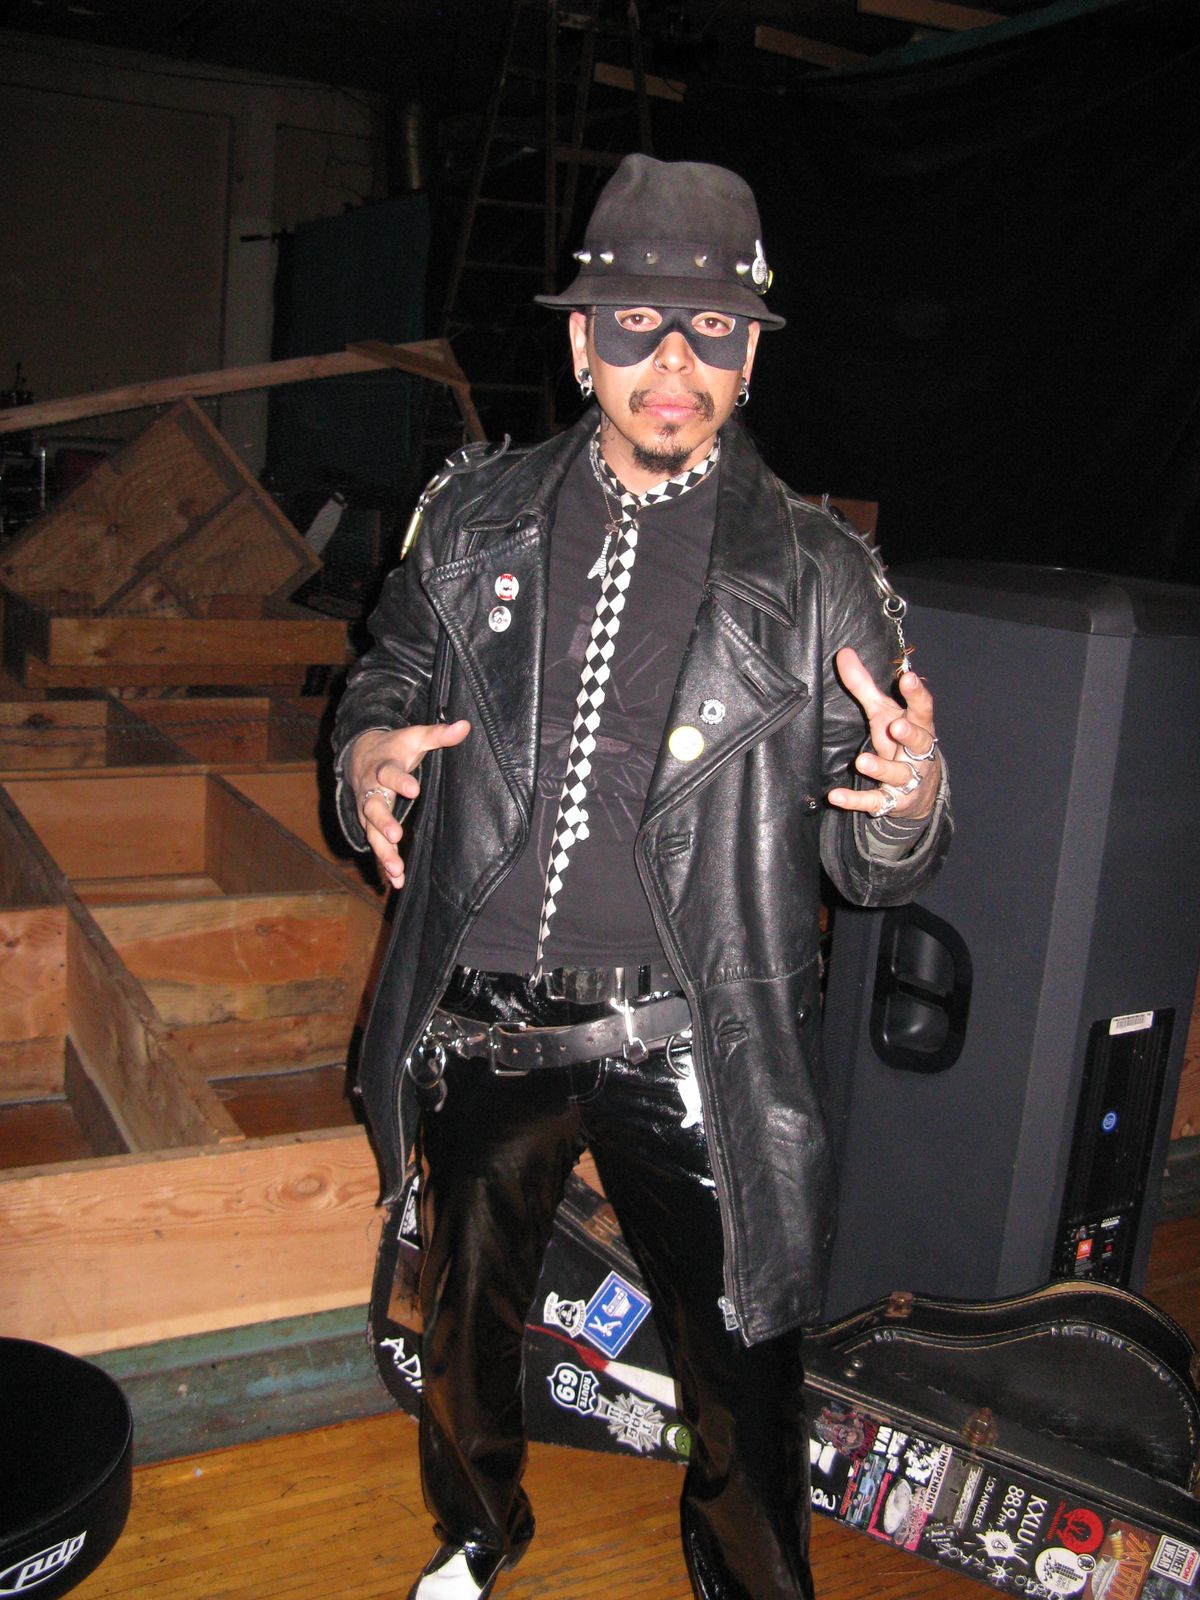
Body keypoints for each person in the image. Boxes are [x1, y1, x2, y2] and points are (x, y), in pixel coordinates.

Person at [332, 154, 951, 1600]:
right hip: (483, 1014)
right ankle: (478, 1534)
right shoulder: (472, 516)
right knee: (460, 1332)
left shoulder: (819, 573)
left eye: (711, 332)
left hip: (697, 1035)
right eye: (636, 327)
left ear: (749, 358)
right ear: (579, 341)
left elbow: (875, 855)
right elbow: (388, 668)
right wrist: (365, 753)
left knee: (746, 1371)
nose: (674, 364)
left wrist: (911, 795)